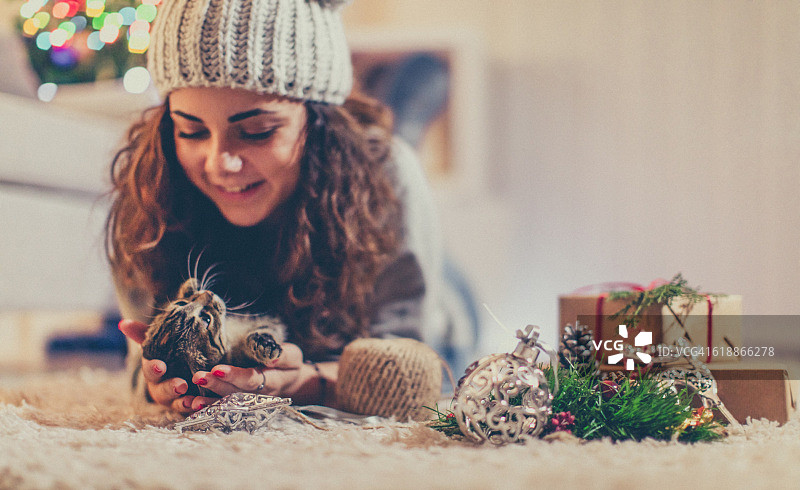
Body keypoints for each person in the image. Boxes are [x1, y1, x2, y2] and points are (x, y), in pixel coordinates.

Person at [109, 0, 471, 414]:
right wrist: (158, 380)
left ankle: (403, 107)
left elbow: (410, 362)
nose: (219, 163)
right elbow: (140, 370)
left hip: (444, 313)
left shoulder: (385, 173)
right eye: (191, 130)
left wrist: (312, 384)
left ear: (317, 122)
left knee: (399, 143)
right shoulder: (149, 189)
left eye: (257, 132)